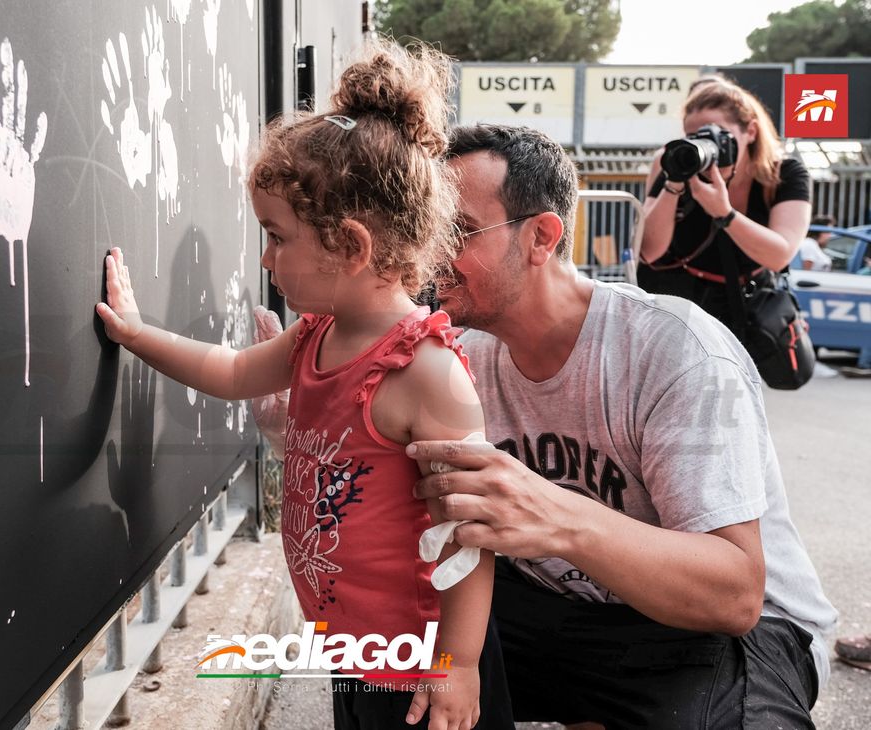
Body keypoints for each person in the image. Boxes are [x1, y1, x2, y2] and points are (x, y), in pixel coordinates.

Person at [97, 41, 512, 730]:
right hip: (354, 652)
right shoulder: (318, 331)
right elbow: (230, 372)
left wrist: (460, 665)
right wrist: (138, 335)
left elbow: (466, 536)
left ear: (350, 247)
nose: (265, 257)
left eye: (277, 236)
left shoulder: (425, 371)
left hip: (422, 670)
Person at [393, 124, 838, 728]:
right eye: (426, 229)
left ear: (541, 237)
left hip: (731, 631)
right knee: (389, 660)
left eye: (458, 230)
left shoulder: (673, 349)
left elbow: (734, 594)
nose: (429, 251)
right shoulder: (452, 361)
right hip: (563, 608)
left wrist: (552, 516)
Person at [638, 78, 812, 333]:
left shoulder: (784, 173)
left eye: (716, 133)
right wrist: (674, 182)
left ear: (751, 131)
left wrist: (725, 214)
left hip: (745, 305)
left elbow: (779, 255)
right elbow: (648, 251)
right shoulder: (681, 165)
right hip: (677, 303)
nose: (707, 144)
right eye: (694, 136)